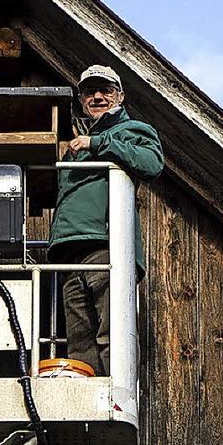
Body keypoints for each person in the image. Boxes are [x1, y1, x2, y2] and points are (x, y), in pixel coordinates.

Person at [48, 64, 164, 375]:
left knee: (112, 332)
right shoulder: (75, 145)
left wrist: (98, 143)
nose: (98, 97)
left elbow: (152, 163)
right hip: (70, 251)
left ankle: (117, 392)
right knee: (80, 340)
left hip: (105, 245)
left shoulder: (129, 131)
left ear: (120, 97)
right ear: (81, 99)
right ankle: (85, 402)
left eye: (106, 91)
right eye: (89, 92)